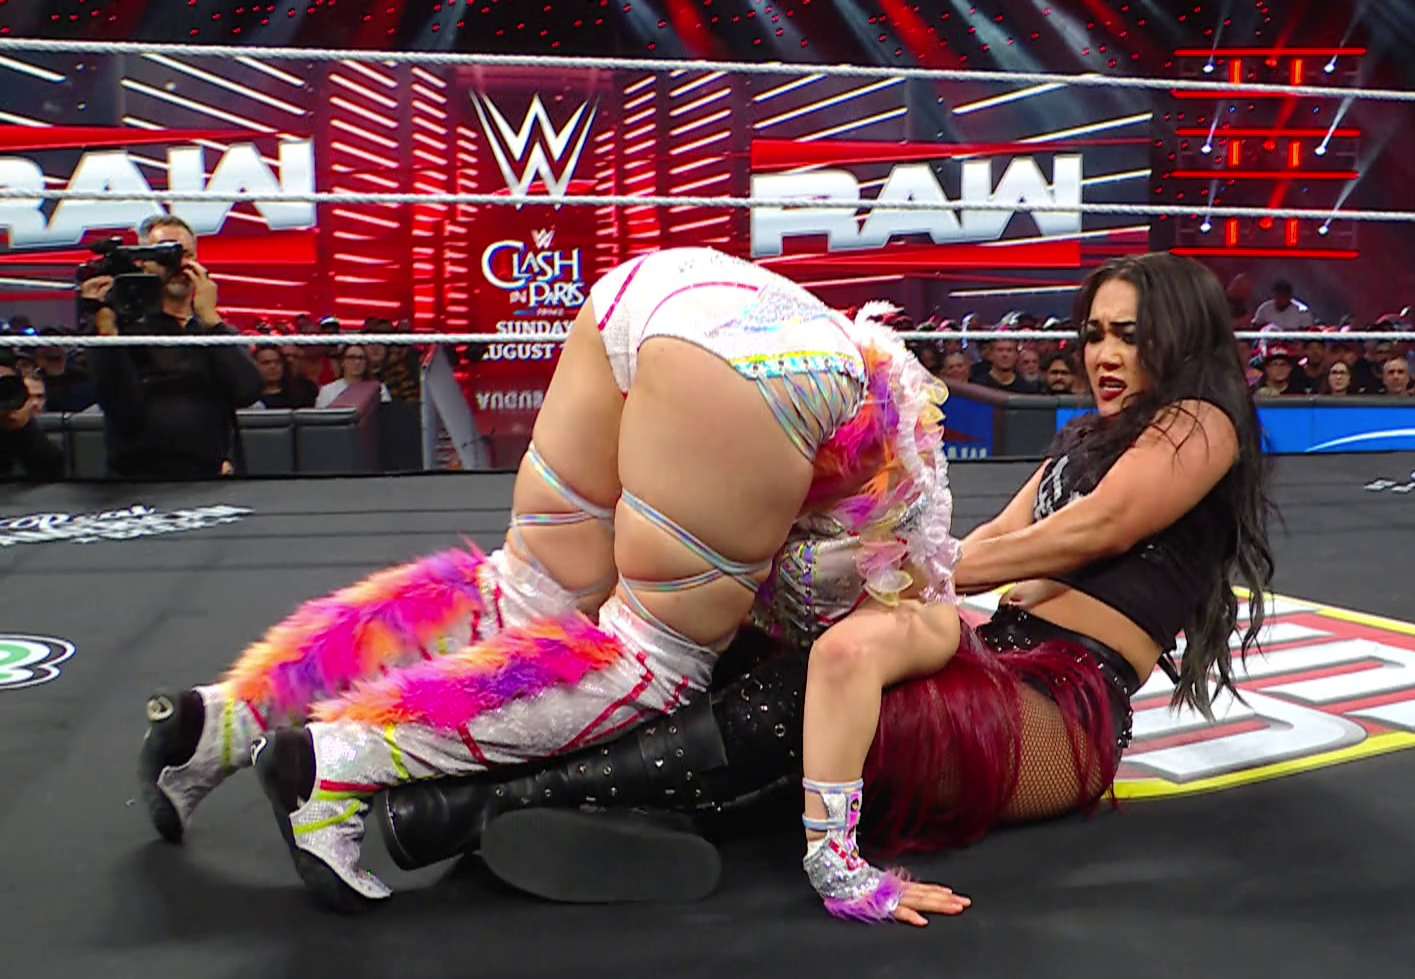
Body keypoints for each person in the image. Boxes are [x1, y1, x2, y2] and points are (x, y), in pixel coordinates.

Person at [379, 252, 1278, 925]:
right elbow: (995, 539)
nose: (1104, 353)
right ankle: (594, 801)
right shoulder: (1083, 439)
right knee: (762, 654)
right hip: (999, 663)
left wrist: (912, 568)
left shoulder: (1201, 422)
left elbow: (1096, 530)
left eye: (1129, 334)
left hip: (1063, 711)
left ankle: (473, 807)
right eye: (1094, 333)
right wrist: (896, 565)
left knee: (819, 691)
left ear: (1181, 336)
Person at [138, 247, 954, 914]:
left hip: (663, 291)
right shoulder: (923, 587)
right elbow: (834, 645)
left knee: (523, 590)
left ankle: (222, 724)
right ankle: (341, 763)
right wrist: (841, 868)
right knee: (655, 660)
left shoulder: (909, 472)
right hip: (769, 371)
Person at [78, 214, 263, 479]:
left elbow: (248, 390)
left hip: (210, 478)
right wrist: (107, 329)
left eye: (184, 254)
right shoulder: (122, 329)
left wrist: (212, 321)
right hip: (137, 482)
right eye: (164, 254)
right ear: (142, 262)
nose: (176, 264)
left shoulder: (211, 331)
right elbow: (119, 405)